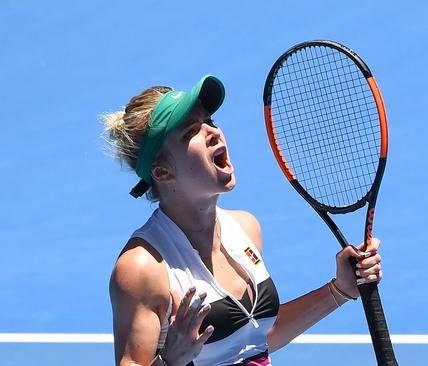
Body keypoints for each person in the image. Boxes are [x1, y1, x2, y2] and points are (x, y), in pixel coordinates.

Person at [103, 75, 383, 366]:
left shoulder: (245, 228)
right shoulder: (142, 268)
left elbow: (257, 339)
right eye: (191, 132)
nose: (213, 132)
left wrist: (339, 290)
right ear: (161, 173)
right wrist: (171, 361)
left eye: (209, 120)